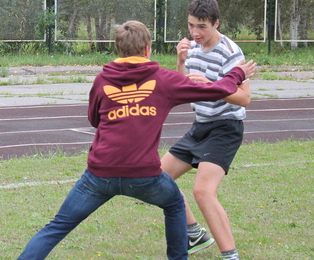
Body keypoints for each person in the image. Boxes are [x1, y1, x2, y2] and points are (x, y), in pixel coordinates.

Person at [16, 20, 256, 260]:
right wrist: (238, 73)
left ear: (119, 49)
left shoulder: (102, 80)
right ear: (147, 49)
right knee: (174, 204)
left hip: (100, 174)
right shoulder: (163, 80)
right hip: (144, 176)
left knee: (58, 226)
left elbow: (94, 120)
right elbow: (216, 91)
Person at [160, 0, 250, 260]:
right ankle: (194, 233)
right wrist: (180, 62)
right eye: (191, 25)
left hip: (225, 127)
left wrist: (211, 85)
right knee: (157, 177)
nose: (195, 32)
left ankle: (231, 256)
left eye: (202, 27)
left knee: (202, 191)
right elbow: (184, 88)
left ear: (216, 24)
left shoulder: (231, 52)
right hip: (200, 126)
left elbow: (244, 98)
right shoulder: (192, 47)